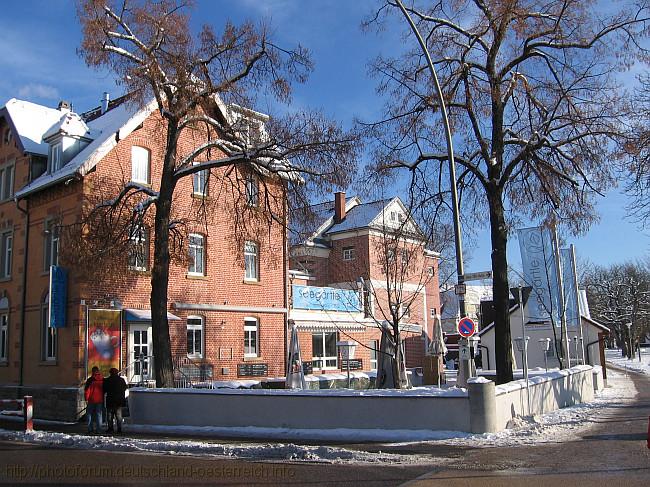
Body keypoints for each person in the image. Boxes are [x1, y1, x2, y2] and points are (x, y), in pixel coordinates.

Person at [103, 367, 128, 433]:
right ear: (117, 373)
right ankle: (119, 429)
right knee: (118, 416)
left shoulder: (107, 380)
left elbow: (104, 389)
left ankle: (110, 428)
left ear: (110, 373)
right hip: (119, 401)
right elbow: (125, 388)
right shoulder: (121, 380)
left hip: (110, 400)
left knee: (110, 415)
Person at [84, 366, 104, 434]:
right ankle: (99, 429)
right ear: (98, 371)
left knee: (89, 414)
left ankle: (90, 429)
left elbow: (87, 391)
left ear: (92, 371)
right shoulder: (102, 379)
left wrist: (86, 399)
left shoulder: (90, 380)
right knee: (99, 415)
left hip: (91, 400)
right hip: (100, 400)